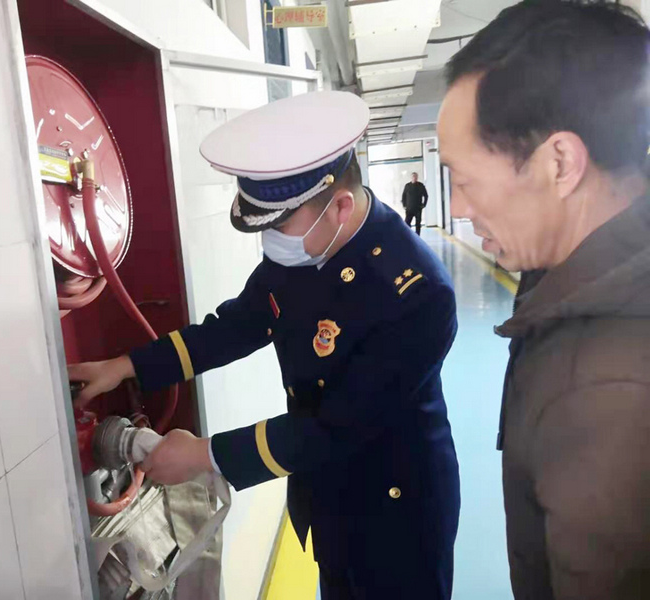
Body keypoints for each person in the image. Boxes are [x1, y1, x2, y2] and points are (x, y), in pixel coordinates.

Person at [70, 91, 461, 599]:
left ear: (340, 207)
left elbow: (336, 426)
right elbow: (237, 326)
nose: (271, 240)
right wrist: (125, 366)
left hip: (396, 507)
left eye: (280, 225)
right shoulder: (302, 252)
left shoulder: (415, 293)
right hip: (327, 492)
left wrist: (205, 455)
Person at [438, 2, 650, 599]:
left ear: (560, 163)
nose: (456, 208)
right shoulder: (561, 277)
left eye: (464, 179)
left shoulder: (609, 393)